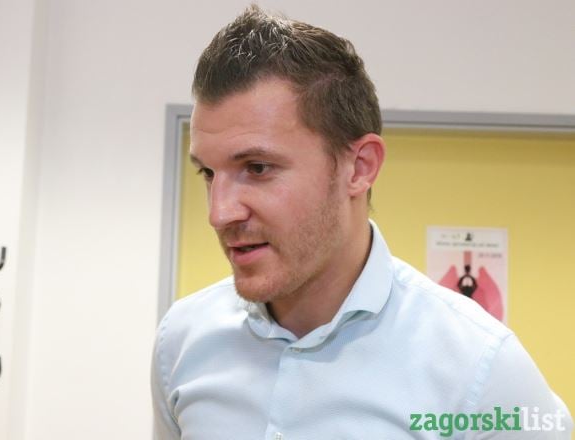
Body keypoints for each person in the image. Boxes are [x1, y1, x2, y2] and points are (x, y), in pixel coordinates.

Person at [151, 6, 572, 439]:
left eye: (258, 168)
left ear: (360, 167)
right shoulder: (182, 342)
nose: (219, 213)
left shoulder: (482, 373)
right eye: (208, 173)